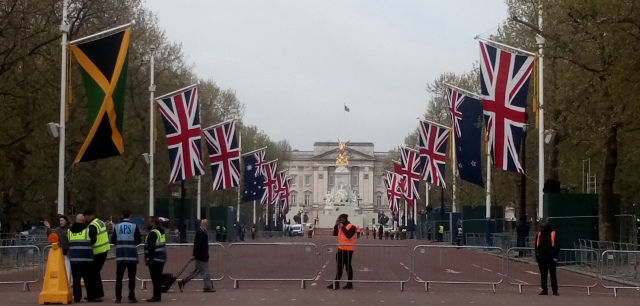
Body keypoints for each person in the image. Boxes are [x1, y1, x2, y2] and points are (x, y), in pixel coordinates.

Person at [112, 209, 141, 303]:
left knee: (119, 277)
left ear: (122, 215)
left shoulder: (117, 227)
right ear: (130, 216)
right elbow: (138, 240)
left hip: (121, 255)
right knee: (132, 278)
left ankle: (118, 298)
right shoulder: (134, 226)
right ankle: (131, 297)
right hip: (132, 254)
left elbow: (113, 240)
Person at [178, 219, 214, 293]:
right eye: (207, 224)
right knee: (206, 271)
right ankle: (207, 286)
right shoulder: (201, 233)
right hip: (201, 256)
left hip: (200, 255)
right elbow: (198, 245)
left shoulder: (200, 232)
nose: (208, 225)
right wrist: (194, 254)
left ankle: (183, 281)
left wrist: (194, 254)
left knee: (196, 272)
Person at [68, 214, 96, 303]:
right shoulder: (88, 230)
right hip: (86, 259)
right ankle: (90, 296)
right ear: (83, 221)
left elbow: (68, 242)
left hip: (74, 259)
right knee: (88, 279)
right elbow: (94, 240)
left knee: (76, 280)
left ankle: (77, 297)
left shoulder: (69, 231)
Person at [84, 209, 111, 301]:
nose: (85, 219)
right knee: (95, 273)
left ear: (89, 216)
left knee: (92, 274)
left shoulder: (92, 226)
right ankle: (98, 294)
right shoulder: (100, 222)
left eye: (85, 217)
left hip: (97, 251)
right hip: (104, 249)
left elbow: (92, 239)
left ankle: (94, 295)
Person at [327, 214, 356, 290]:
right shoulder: (341, 227)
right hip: (340, 249)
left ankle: (349, 283)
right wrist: (336, 225)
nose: (341, 221)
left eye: (342, 220)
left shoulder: (352, 226)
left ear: (345, 219)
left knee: (348, 267)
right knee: (339, 267)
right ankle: (336, 283)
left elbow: (349, 235)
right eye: (340, 220)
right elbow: (335, 234)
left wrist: (342, 227)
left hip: (348, 250)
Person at [535, 220, 560, 296]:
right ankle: (544, 290)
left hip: (551, 258)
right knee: (543, 275)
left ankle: (555, 290)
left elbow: (557, 246)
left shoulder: (553, 234)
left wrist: (554, 256)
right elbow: (536, 246)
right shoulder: (539, 235)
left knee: (553, 275)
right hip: (542, 258)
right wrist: (538, 257)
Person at [144, 216, 166, 302]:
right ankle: (157, 295)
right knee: (158, 278)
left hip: (155, 258)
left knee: (155, 278)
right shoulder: (160, 232)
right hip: (161, 257)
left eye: (150, 221)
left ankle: (156, 296)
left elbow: (151, 247)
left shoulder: (153, 233)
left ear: (154, 222)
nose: (148, 223)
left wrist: (149, 259)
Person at [44, 215, 71, 283]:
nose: (61, 222)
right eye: (60, 221)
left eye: (62, 220)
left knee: (69, 268)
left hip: (69, 252)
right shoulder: (57, 229)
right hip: (60, 252)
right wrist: (48, 227)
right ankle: (64, 282)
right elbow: (51, 234)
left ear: (66, 221)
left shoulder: (70, 229)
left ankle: (68, 281)